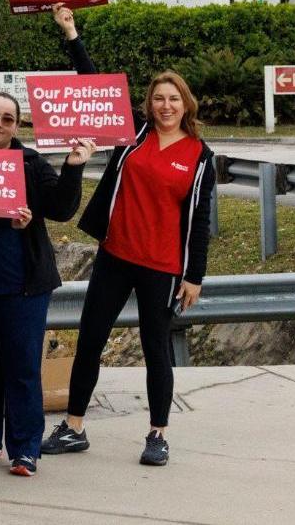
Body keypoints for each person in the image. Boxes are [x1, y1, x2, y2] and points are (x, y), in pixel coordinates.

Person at [45, 70, 216, 468]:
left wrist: (195, 276)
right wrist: (71, 33)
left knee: (156, 350)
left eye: (174, 99)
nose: (166, 106)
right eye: (159, 98)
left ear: (186, 103)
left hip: (162, 266)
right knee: (90, 341)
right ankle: (74, 427)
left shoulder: (200, 155)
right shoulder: (134, 135)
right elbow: (95, 84)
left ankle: (158, 435)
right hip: (116, 256)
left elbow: (200, 220)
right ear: (149, 104)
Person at [0, 7, 94, 476]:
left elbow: (60, 208)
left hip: (24, 285)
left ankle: (24, 448)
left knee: (21, 369)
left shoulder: (31, 162)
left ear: (17, 125)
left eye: (8, 118)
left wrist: (75, 164)